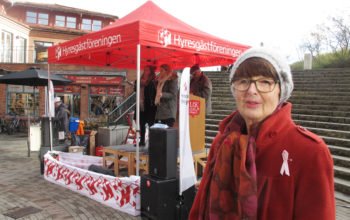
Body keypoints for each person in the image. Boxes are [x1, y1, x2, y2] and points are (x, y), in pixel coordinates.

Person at [189, 47, 335, 219]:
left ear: (281, 90)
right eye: (243, 81)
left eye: (265, 82)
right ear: (234, 89)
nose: (252, 90)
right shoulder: (222, 141)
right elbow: (199, 210)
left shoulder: (310, 152)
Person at [135, 65, 157, 146]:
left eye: (147, 70)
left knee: (151, 124)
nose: (145, 72)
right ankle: (142, 141)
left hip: (150, 105)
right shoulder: (140, 80)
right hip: (141, 104)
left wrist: (145, 84)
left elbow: (152, 92)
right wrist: (138, 83)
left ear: (151, 72)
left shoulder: (153, 81)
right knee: (141, 123)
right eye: (144, 70)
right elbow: (135, 90)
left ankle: (152, 141)